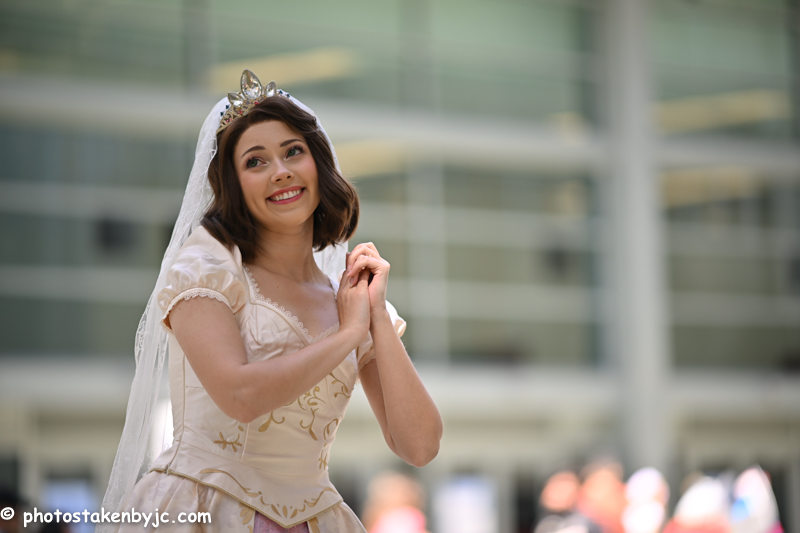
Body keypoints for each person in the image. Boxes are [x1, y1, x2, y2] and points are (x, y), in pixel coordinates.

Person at [101, 70, 443, 532]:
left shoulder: (348, 296)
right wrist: (347, 334)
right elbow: (240, 396)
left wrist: (376, 315)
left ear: (317, 165)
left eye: (293, 152)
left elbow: (419, 446)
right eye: (255, 161)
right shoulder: (207, 264)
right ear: (233, 183)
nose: (280, 170)